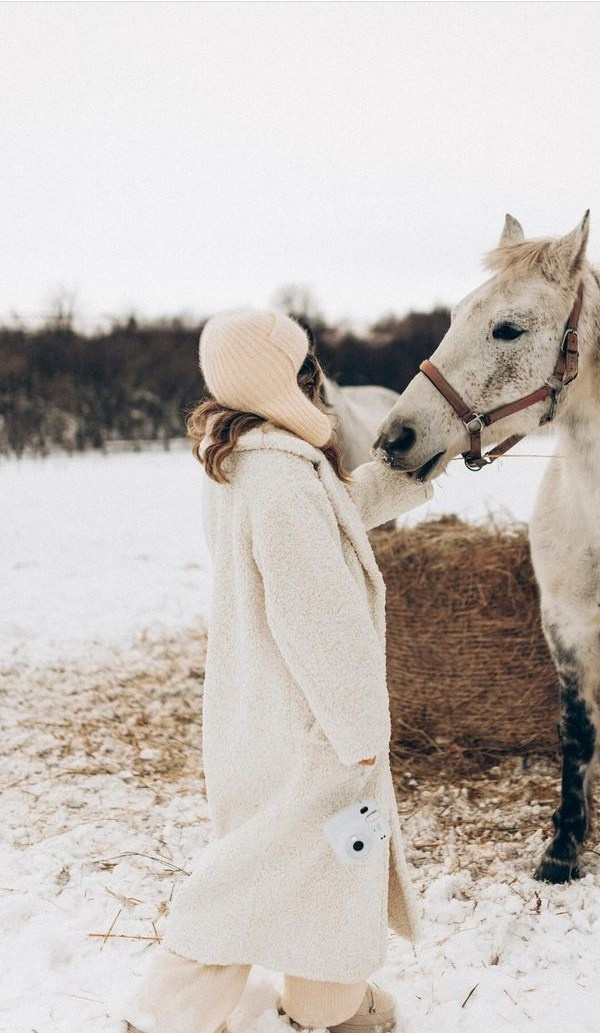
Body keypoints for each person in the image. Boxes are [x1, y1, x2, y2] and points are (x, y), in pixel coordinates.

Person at [123, 310, 433, 1033]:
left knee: (329, 867)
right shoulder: (282, 481)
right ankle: (167, 1014)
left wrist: (411, 477)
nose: (315, 376)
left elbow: (335, 514)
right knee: (256, 872)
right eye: (303, 364)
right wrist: (361, 728)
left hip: (263, 705)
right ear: (281, 377)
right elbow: (320, 619)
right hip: (312, 722)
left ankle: (328, 1004)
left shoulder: (244, 457)